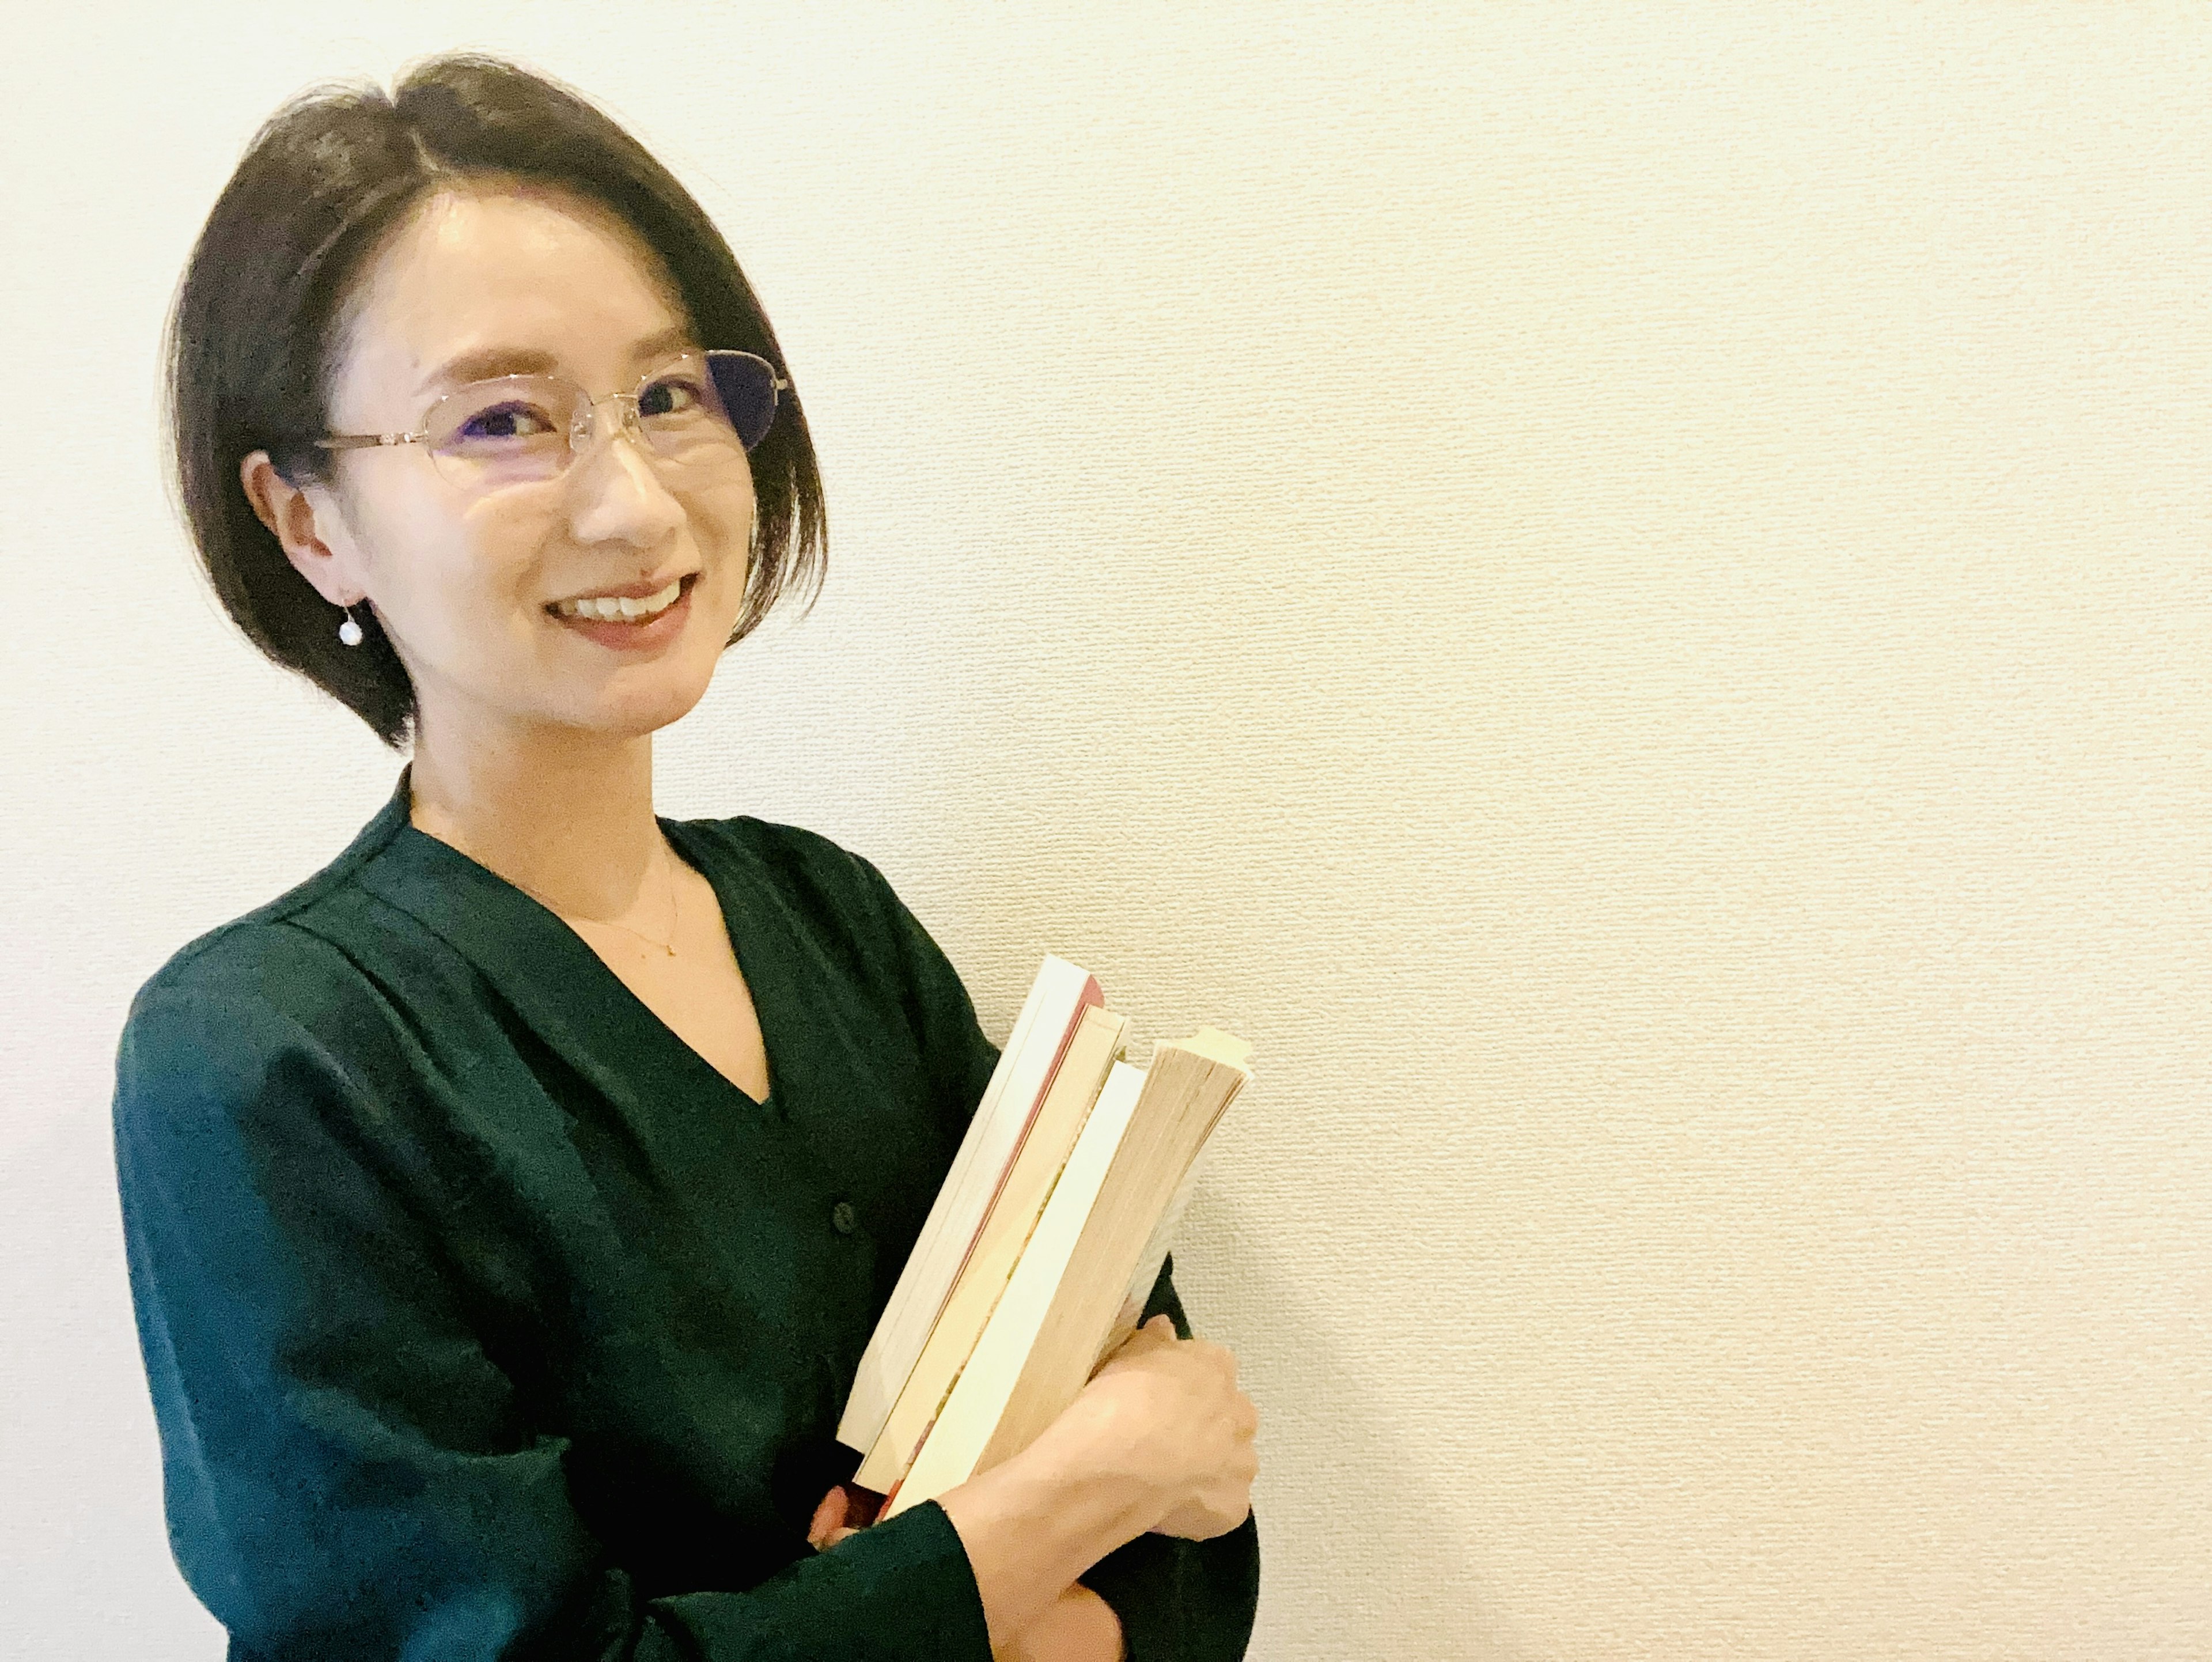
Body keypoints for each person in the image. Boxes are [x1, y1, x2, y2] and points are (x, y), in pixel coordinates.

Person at [112, 52, 1259, 1662]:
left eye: (669, 396)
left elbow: (1202, 1510)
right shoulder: (270, 1058)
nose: (637, 503)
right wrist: (1047, 1516)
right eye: (501, 420)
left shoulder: (837, 925)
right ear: (309, 522)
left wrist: (974, 1586)